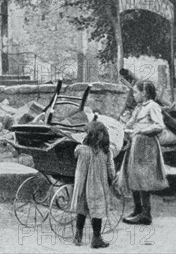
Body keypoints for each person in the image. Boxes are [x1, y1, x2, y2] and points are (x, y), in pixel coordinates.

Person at [121, 81, 168, 226]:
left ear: (145, 93)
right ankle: (137, 209)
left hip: (147, 146)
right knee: (132, 175)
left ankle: (146, 214)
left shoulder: (152, 106)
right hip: (136, 145)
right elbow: (130, 123)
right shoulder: (138, 108)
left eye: (135, 92)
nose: (133, 95)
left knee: (143, 178)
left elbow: (159, 125)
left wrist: (141, 130)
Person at [71, 121, 116, 248]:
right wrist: (112, 180)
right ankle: (96, 239)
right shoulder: (106, 152)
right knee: (97, 211)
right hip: (98, 186)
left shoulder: (80, 149)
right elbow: (111, 170)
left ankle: (78, 236)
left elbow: (75, 156)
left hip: (82, 186)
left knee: (81, 209)